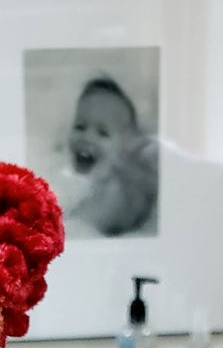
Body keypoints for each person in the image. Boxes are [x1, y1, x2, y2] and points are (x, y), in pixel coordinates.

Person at [65, 76, 158, 239]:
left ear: (123, 150)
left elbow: (83, 224)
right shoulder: (63, 176)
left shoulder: (116, 188)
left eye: (103, 133)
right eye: (80, 127)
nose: (87, 137)